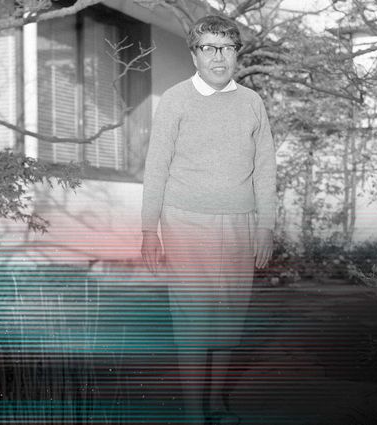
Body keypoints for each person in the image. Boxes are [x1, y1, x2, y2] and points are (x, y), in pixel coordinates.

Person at [141, 14, 276, 425]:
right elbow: (156, 167)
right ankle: (193, 413)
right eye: (209, 48)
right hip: (185, 223)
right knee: (193, 319)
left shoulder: (252, 102)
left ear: (237, 53)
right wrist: (149, 229)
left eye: (228, 48)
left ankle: (216, 403)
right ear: (194, 54)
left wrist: (266, 225)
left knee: (229, 318)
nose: (220, 57)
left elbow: (266, 167)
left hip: (240, 223)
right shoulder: (175, 100)